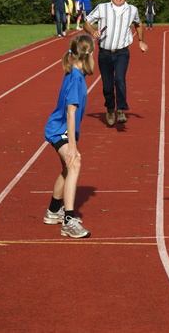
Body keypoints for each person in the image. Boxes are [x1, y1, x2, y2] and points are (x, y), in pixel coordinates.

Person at [43, 34, 95, 238]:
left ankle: (53, 211)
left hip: (58, 128)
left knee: (67, 167)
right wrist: (72, 146)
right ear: (89, 53)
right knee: (75, 163)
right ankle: (69, 220)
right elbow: (71, 113)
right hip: (59, 130)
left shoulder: (76, 72)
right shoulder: (75, 79)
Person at [83, 0, 148, 126]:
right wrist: (93, 31)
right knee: (107, 85)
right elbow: (86, 22)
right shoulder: (102, 8)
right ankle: (110, 109)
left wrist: (141, 41)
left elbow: (138, 23)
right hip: (105, 53)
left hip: (122, 52)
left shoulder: (132, 10)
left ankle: (121, 110)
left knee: (119, 79)